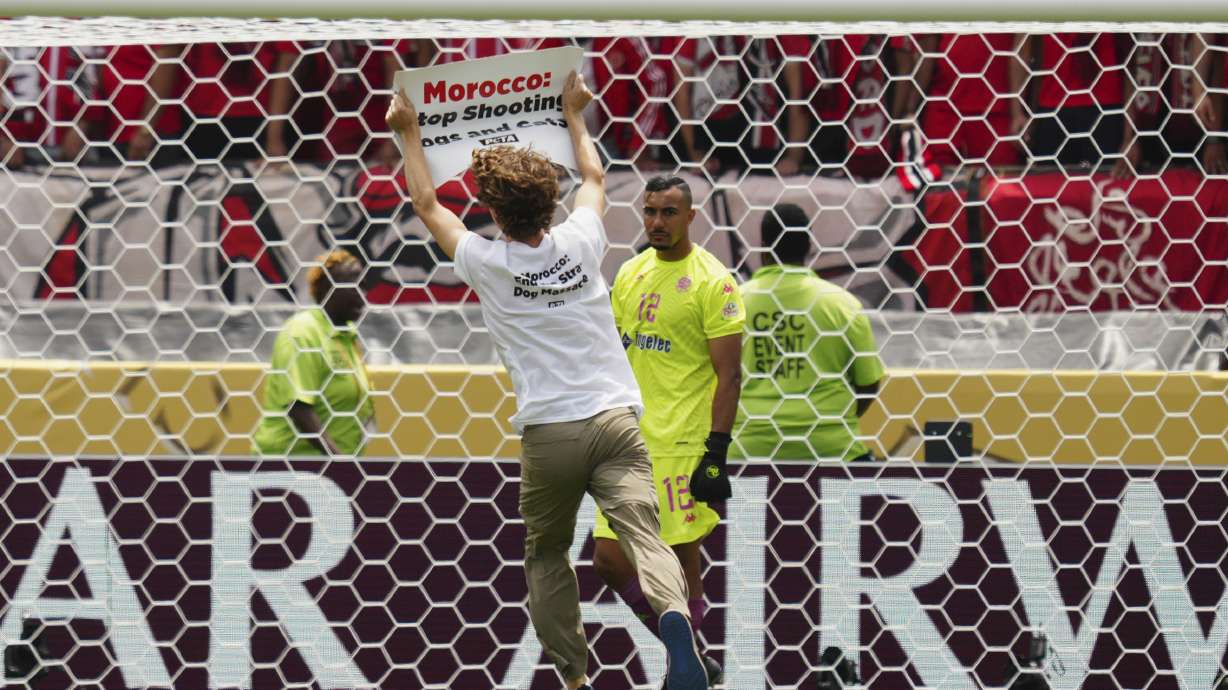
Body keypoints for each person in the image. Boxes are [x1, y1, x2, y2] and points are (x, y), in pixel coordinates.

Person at [385, 73, 710, 690]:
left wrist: (408, 133)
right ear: (549, 202)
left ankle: (574, 677)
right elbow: (594, 176)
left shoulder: (485, 261)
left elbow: (427, 205)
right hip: (615, 421)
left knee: (547, 553)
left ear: (493, 210)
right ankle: (676, 623)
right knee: (646, 534)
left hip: (551, 432)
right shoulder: (581, 240)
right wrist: (573, 113)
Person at [598, 175, 745, 687]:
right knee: (609, 560)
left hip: (681, 443)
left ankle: (687, 670)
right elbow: (615, 354)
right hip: (627, 441)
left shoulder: (714, 282)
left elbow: (730, 375)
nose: (657, 222)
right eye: (650, 211)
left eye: (668, 213)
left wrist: (716, 451)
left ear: (690, 217)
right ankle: (691, 657)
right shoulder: (630, 273)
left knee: (681, 562)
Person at [733, 203, 884, 461]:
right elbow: (869, 382)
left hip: (748, 449)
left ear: (764, 248)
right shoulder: (842, 304)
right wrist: (828, 420)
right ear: (808, 247)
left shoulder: (734, 304)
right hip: (833, 449)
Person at [252, 248, 373, 456]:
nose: (363, 295)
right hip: (294, 466)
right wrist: (339, 462)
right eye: (354, 285)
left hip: (332, 466)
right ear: (327, 289)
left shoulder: (348, 337)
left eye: (363, 286)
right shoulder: (302, 333)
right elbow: (299, 409)